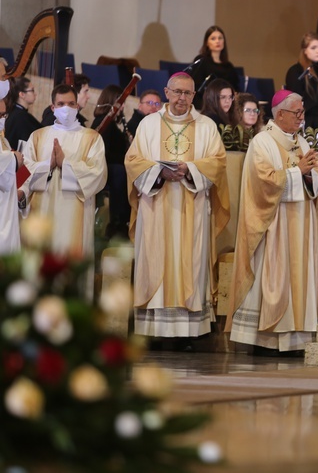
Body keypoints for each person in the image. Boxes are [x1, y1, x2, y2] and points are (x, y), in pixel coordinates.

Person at [125, 72, 229, 344]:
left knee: (191, 261)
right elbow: (133, 160)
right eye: (177, 92)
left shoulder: (206, 126)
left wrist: (190, 169)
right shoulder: (148, 124)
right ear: (166, 92)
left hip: (193, 206)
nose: (182, 98)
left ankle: (187, 332)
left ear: (194, 96)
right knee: (155, 258)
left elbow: (218, 162)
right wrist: (159, 173)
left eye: (188, 93)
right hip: (155, 206)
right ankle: (154, 331)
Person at [226, 90, 318, 355]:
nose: (301, 118)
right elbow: (263, 182)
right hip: (273, 225)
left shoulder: (301, 143)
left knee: (297, 276)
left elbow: (317, 181)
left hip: (301, 224)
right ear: (280, 114)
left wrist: (309, 177)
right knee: (273, 276)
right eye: (297, 113)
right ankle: (266, 339)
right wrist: (298, 172)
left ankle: (295, 338)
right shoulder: (262, 142)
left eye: (302, 113)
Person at [22, 84, 107, 258]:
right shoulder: (37, 136)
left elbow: (97, 174)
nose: (66, 108)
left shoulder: (92, 138)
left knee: (70, 260)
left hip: (74, 213)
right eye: (61, 104)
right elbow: (23, 172)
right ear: (53, 108)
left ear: (77, 106)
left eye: (71, 103)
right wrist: (48, 165)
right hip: (41, 210)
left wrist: (65, 164)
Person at [91, 84, 131, 239]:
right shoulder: (104, 122)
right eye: (121, 103)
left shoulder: (114, 124)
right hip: (106, 168)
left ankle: (126, 219)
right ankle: (117, 222)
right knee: (121, 171)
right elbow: (104, 153)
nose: (123, 107)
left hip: (114, 166)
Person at [189, 26, 240, 108]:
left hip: (226, 105)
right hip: (204, 103)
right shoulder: (201, 61)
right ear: (207, 43)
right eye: (213, 38)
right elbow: (195, 87)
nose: (218, 41)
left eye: (220, 38)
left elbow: (235, 90)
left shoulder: (229, 66)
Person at [0, 86, 25, 254]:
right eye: (0, 115)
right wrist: (14, 158)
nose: (3, 119)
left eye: (4, 115)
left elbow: (15, 178)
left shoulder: (5, 141)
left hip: (7, 215)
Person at [5, 77, 41, 150]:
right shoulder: (20, 116)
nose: (35, 94)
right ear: (22, 94)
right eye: (32, 90)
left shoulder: (18, 113)